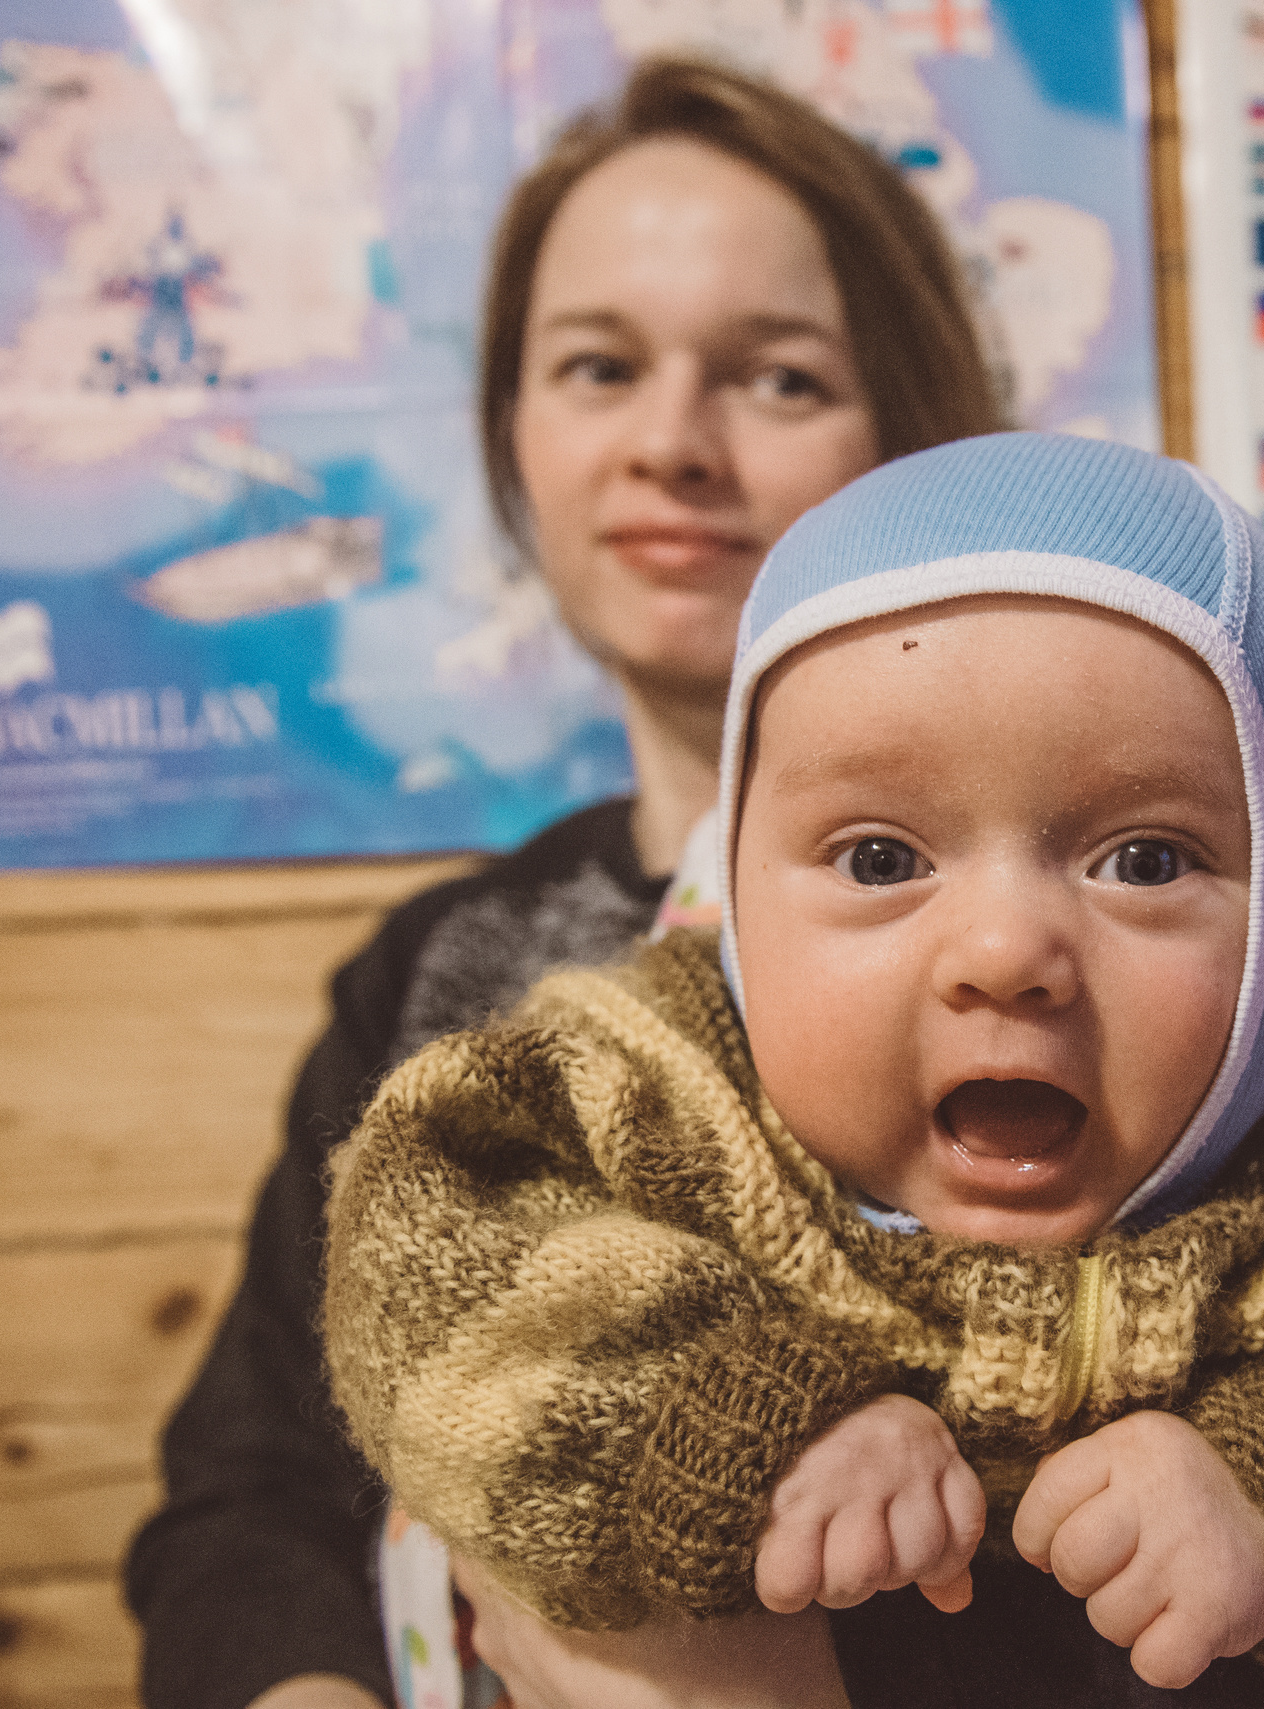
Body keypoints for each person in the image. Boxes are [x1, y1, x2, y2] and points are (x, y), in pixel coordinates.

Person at [323, 433, 1264, 1707]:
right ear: (735, 895)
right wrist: (737, 1422)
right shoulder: (645, 1086)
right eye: (878, 858)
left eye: (1144, 860)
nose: (1004, 952)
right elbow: (436, 1244)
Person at [123, 56, 1002, 1709]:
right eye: (598, 366)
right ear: (518, 435)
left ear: (914, 426)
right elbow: (252, 1494)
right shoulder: (440, 965)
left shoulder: (1122, 936)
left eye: (782, 378)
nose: (671, 443)